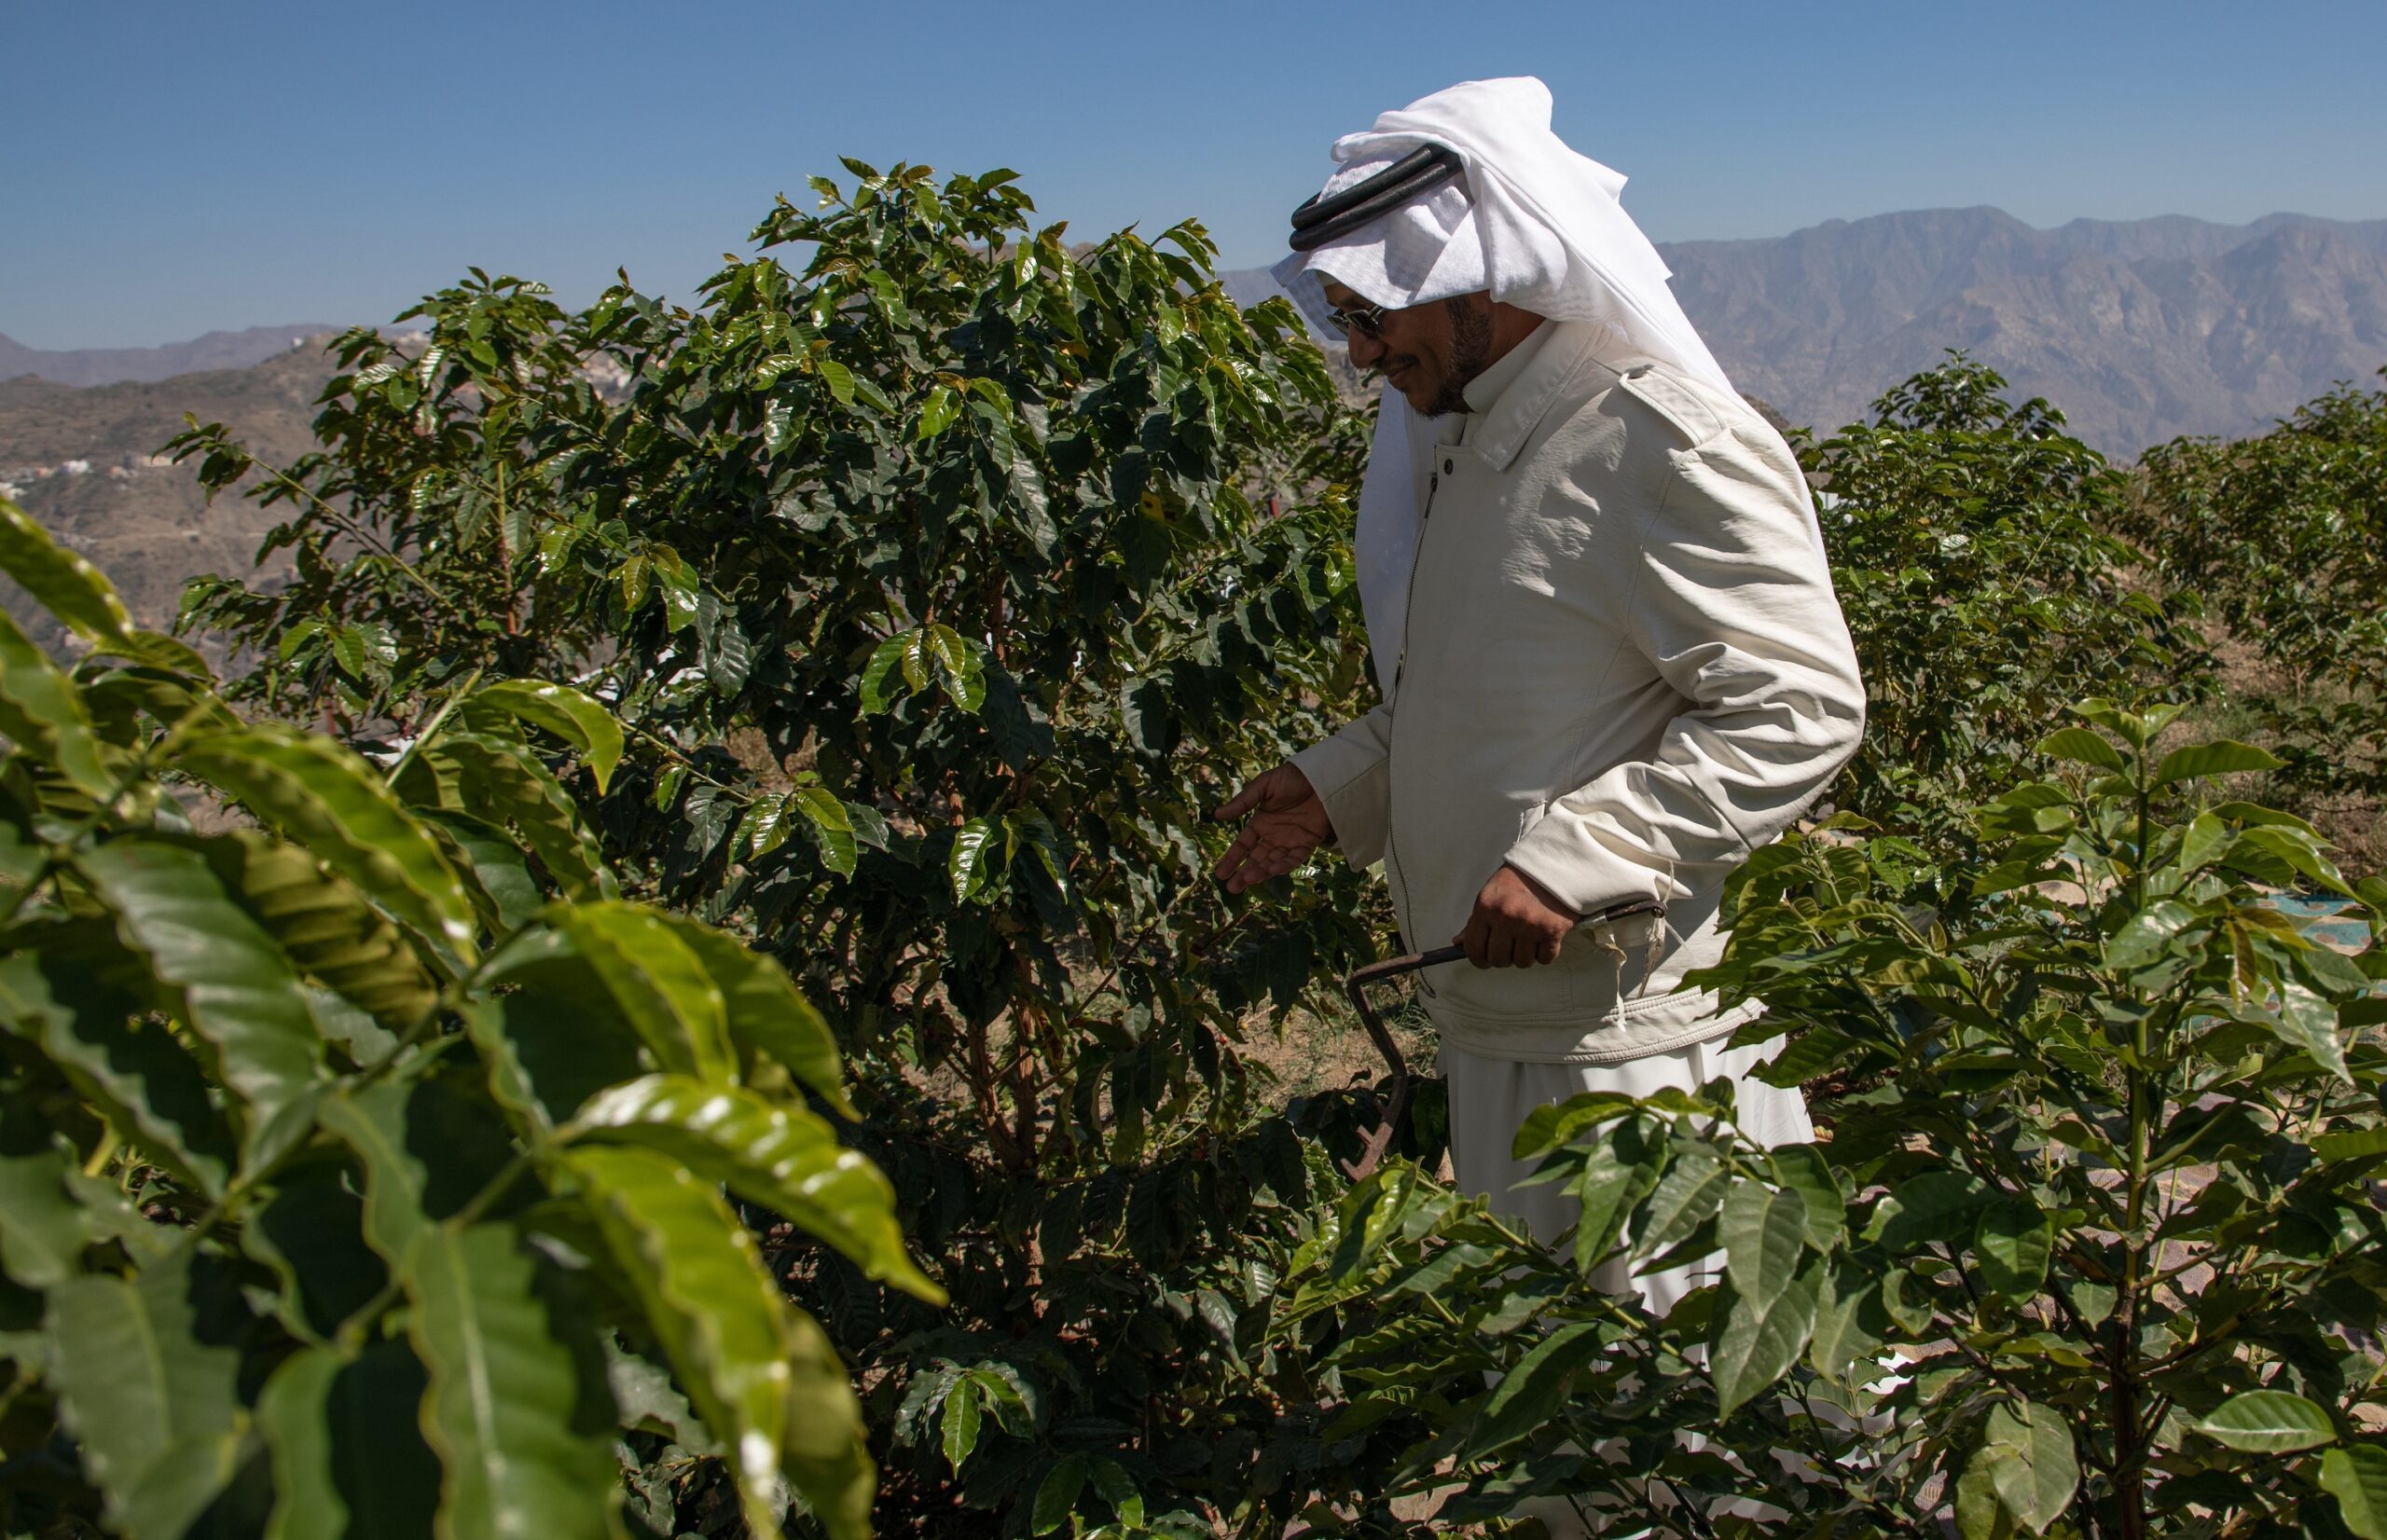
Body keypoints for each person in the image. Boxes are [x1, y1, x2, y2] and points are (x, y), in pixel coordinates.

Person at [1214, 77, 1866, 1311]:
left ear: (1485, 267)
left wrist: (1587, 856)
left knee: (1706, 1425)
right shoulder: (1469, 441)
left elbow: (1803, 704)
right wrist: (1345, 784)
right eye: (1344, 318)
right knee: (1569, 1439)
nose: (1359, 354)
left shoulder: (1650, 441)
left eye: (1374, 315)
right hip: (1504, 1029)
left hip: (1630, 1056)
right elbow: (1497, 696)